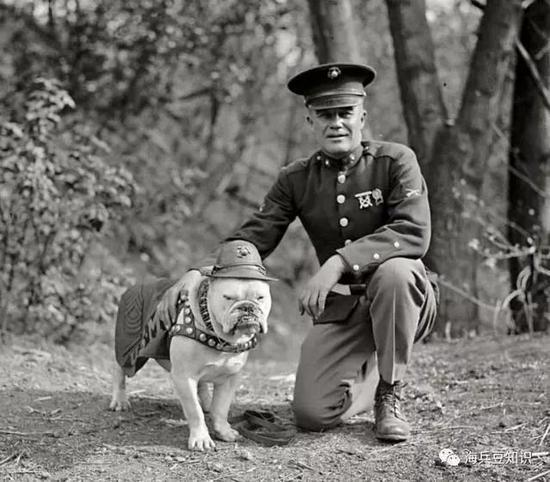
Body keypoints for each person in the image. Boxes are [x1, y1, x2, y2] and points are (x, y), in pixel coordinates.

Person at [158, 62, 438, 442]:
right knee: (311, 413)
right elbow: (254, 237)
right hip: (349, 308)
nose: (336, 123)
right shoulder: (296, 179)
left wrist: (338, 262)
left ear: (362, 116)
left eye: (345, 113)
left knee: (395, 273)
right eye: (325, 114)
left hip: (404, 299)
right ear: (310, 120)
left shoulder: (395, 161)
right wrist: (203, 270)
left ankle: (390, 391)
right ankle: (370, 378)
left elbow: (413, 232)